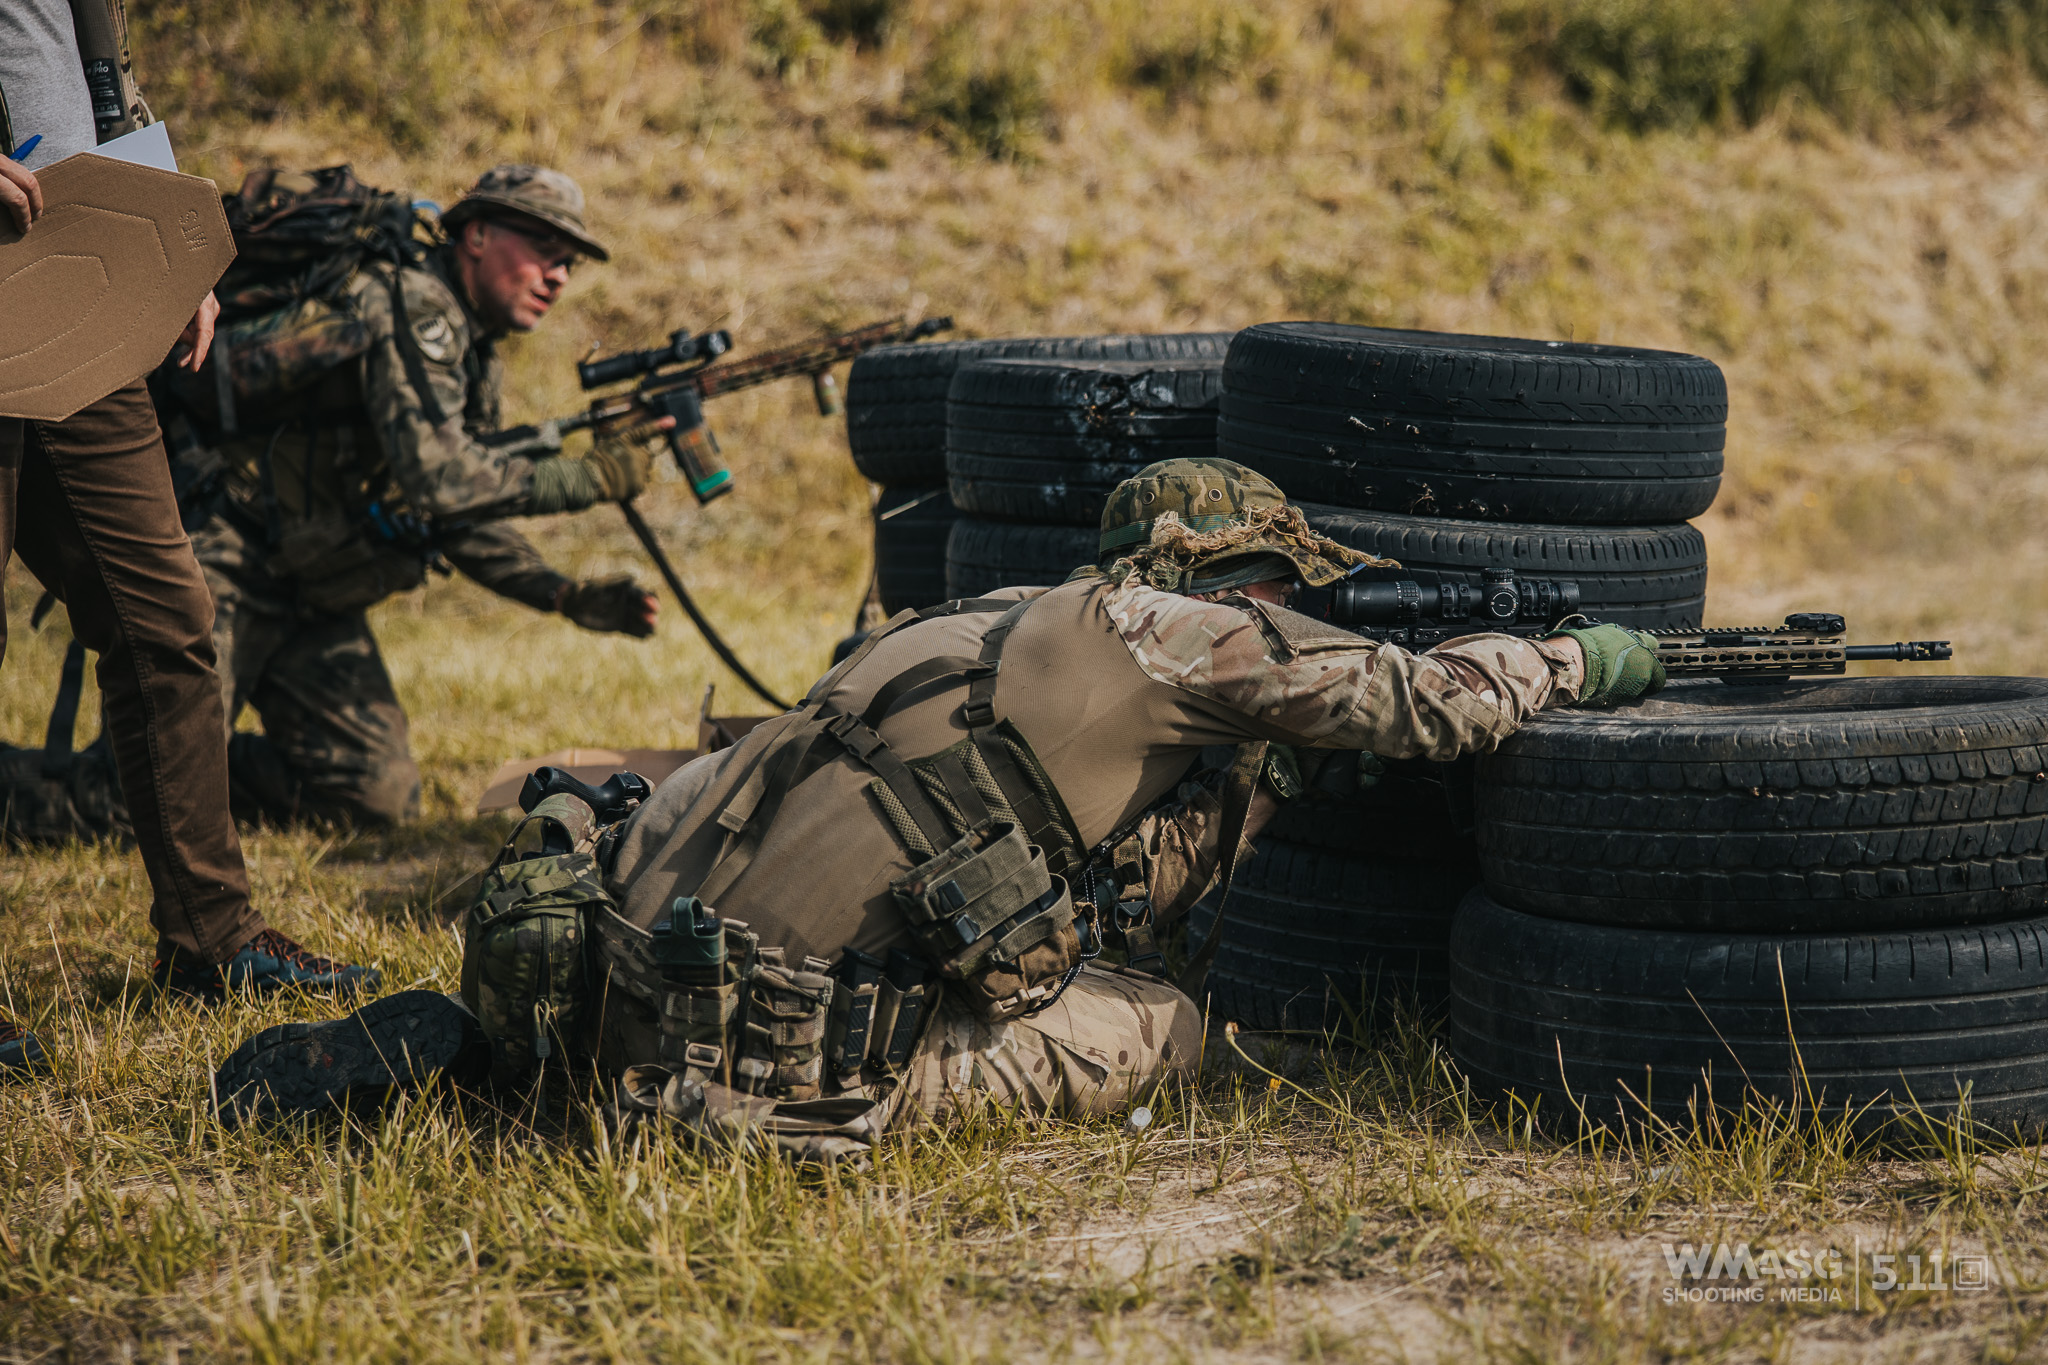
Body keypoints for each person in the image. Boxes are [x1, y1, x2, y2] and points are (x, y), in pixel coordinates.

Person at [220, 458, 1667, 1133]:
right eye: (1285, 588)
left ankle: (512, 1071)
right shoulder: (1192, 633)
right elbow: (1428, 703)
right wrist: (1566, 657)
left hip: (600, 974)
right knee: (1166, 1026)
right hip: (769, 1062)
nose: (1294, 615)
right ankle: (723, 1110)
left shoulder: (971, 623)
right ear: (1235, 578)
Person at [10, 164, 666, 835]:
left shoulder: (469, 352)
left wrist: (561, 594)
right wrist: (589, 478)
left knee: (372, 797)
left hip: (308, 589)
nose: (557, 275)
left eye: (568, 264)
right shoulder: (414, 306)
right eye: (543, 250)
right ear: (476, 233)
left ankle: (198, 770)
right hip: (229, 556)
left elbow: (445, 517)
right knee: (120, 807)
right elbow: (443, 479)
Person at [0, 0, 377, 1075]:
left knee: (167, 620)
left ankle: (210, 937)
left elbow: (99, 80)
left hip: (77, 295)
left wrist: (169, 244)